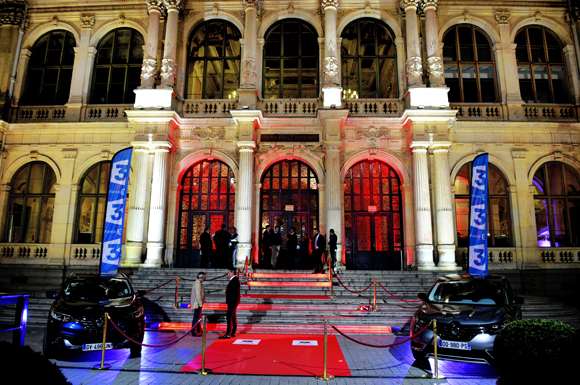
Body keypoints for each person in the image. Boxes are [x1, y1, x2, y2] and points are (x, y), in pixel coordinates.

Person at [219, 269, 240, 339]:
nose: (228, 274)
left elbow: (233, 290)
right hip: (233, 301)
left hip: (232, 301)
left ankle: (228, 332)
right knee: (233, 316)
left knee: (229, 316)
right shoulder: (235, 280)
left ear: (232, 273)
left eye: (229, 272)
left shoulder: (234, 280)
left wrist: (226, 291)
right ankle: (233, 332)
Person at [190, 272, 206, 336]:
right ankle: (194, 331)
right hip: (198, 304)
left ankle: (198, 330)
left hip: (198, 303)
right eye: (204, 277)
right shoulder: (198, 283)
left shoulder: (198, 283)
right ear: (201, 277)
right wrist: (200, 303)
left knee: (198, 317)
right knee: (196, 317)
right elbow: (198, 295)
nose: (204, 278)